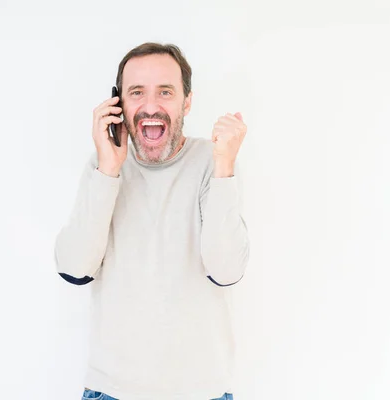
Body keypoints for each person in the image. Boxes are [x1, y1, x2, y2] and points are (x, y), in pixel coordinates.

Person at [54, 42, 249, 400]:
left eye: (165, 92)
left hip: (202, 392)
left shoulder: (214, 160)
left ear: (186, 102)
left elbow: (226, 270)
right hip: (111, 391)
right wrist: (109, 168)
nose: (150, 106)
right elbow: (74, 269)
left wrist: (224, 168)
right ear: (119, 103)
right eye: (136, 92)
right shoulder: (103, 166)